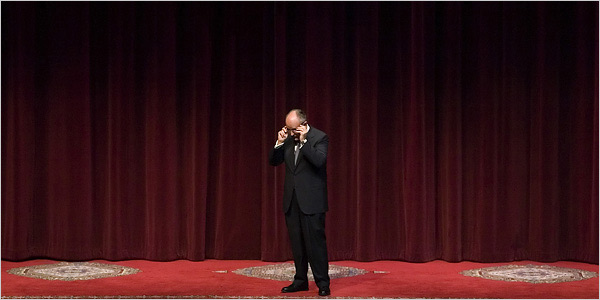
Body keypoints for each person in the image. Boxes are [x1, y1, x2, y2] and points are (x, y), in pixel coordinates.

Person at [268, 109, 331, 296]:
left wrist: (304, 142)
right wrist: (279, 142)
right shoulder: (287, 138)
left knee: (316, 244)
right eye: (287, 128)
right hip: (292, 200)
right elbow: (273, 161)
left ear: (303, 125)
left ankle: (323, 283)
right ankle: (300, 280)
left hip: (312, 200)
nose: (290, 132)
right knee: (297, 244)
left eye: (293, 129)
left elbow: (319, 161)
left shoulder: (319, 137)